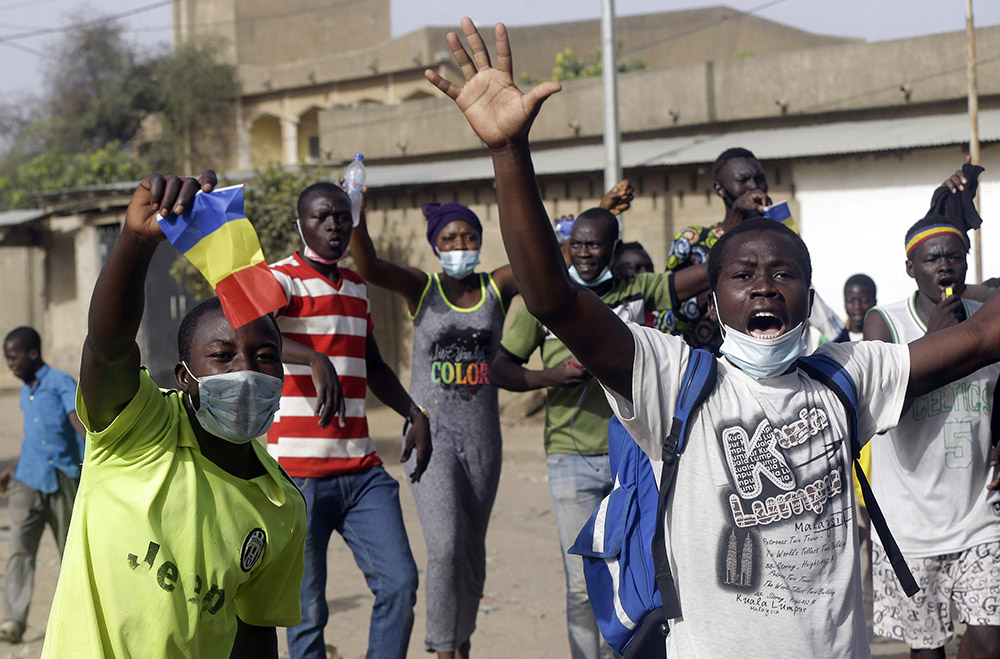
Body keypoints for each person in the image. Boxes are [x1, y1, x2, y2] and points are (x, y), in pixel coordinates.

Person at [424, 18, 1000, 656]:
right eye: (742, 274)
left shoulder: (847, 376)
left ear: (808, 298)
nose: (762, 286)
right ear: (715, 295)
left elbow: (982, 339)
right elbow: (554, 299)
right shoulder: (673, 377)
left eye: (783, 274)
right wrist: (509, 152)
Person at [41, 172, 307, 658]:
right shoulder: (139, 429)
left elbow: (253, 632)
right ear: (185, 376)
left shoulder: (280, 505)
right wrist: (136, 243)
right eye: (222, 356)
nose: (246, 371)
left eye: (265, 357)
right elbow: (107, 348)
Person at [490, 207, 707, 659]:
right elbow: (500, 369)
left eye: (595, 245)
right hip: (571, 457)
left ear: (613, 248)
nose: (585, 253)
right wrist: (550, 377)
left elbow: (700, 278)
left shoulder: (635, 290)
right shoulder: (548, 298)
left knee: (642, 574)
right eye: (578, 244)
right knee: (581, 585)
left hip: (634, 457)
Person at [266, 181, 431, 659]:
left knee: (399, 584)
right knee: (307, 611)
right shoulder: (282, 279)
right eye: (322, 217)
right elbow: (250, 328)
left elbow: (374, 365)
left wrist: (412, 411)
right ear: (301, 224)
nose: (335, 225)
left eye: (342, 216)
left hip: (361, 472)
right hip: (296, 478)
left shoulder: (357, 286)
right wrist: (314, 359)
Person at [348, 196, 513, 659]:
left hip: (483, 441)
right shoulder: (424, 288)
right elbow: (371, 266)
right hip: (429, 439)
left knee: (470, 553)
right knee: (443, 546)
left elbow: (544, 262)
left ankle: (462, 643)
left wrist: (602, 211)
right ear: (435, 245)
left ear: (480, 241)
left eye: (468, 236)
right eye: (449, 238)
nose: (460, 244)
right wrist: (354, 209)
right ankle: (443, 649)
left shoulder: (497, 286)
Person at [864, 215, 1000, 658]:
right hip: (908, 526)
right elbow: (880, 413)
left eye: (955, 256)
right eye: (932, 258)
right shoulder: (885, 324)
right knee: (928, 652)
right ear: (910, 268)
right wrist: (938, 339)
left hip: (979, 515)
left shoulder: (987, 321)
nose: (945, 266)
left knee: (990, 641)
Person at [665, 147, 847, 353]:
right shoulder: (692, 241)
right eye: (743, 180)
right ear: (720, 190)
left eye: (759, 179)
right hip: (710, 365)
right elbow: (670, 313)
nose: (754, 186)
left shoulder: (781, 236)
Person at [0, 327, 84, 644]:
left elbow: (80, 425)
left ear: (32, 354)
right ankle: (13, 621)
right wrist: (13, 467)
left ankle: (76, 620)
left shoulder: (60, 383)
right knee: (20, 551)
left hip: (64, 480)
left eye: (13, 357)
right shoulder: (26, 390)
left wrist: (95, 467)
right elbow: (36, 436)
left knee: (71, 552)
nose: (10, 364)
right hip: (28, 481)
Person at [844, 274, 877, 341]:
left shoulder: (882, 337)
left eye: (864, 301)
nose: (857, 306)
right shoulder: (832, 338)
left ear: (874, 303)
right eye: (850, 301)